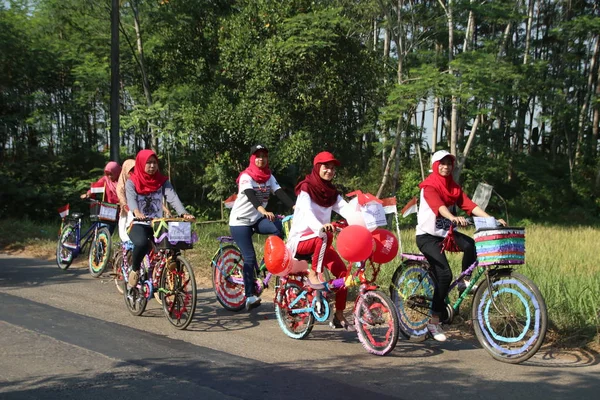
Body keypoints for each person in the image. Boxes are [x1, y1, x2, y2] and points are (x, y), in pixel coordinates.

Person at [416, 150, 506, 342]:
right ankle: (434, 320)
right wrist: (452, 217)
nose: (446, 167)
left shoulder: (454, 188)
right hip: (427, 237)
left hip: (445, 235)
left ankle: (463, 281)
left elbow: (470, 206)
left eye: (449, 163)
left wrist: (491, 220)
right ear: (434, 165)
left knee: (470, 245)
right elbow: (438, 206)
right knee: (444, 274)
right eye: (442, 163)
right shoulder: (429, 186)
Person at [286, 151, 354, 330]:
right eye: (326, 167)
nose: (330, 171)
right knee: (324, 236)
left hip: (321, 241)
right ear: (317, 167)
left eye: (332, 168)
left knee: (343, 275)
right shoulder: (306, 188)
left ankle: (339, 315)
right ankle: (314, 274)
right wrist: (320, 227)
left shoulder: (331, 192)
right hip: (302, 241)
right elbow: (307, 213)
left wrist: (365, 219)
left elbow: (347, 210)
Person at [229, 144, 295, 310]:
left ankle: (267, 262)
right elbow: (251, 195)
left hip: (257, 219)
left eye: (264, 156)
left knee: (278, 228)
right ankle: (249, 295)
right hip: (240, 221)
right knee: (249, 257)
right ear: (252, 158)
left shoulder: (269, 176)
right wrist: (263, 210)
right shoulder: (246, 176)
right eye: (257, 156)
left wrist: (296, 208)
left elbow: (279, 192)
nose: (261, 159)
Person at [125, 149, 195, 287]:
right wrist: (137, 212)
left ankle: (174, 281)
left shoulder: (162, 181)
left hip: (158, 223)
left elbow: (173, 197)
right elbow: (131, 200)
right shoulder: (132, 182)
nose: (152, 166)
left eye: (154, 163)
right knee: (141, 243)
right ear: (140, 164)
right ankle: (135, 269)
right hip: (138, 223)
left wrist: (183, 213)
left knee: (175, 245)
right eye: (148, 163)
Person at [116, 159, 135, 242]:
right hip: (128, 213)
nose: (133, 173)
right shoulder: (121, 185)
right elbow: (121, 196)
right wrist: (125, 206)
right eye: (131, 171)